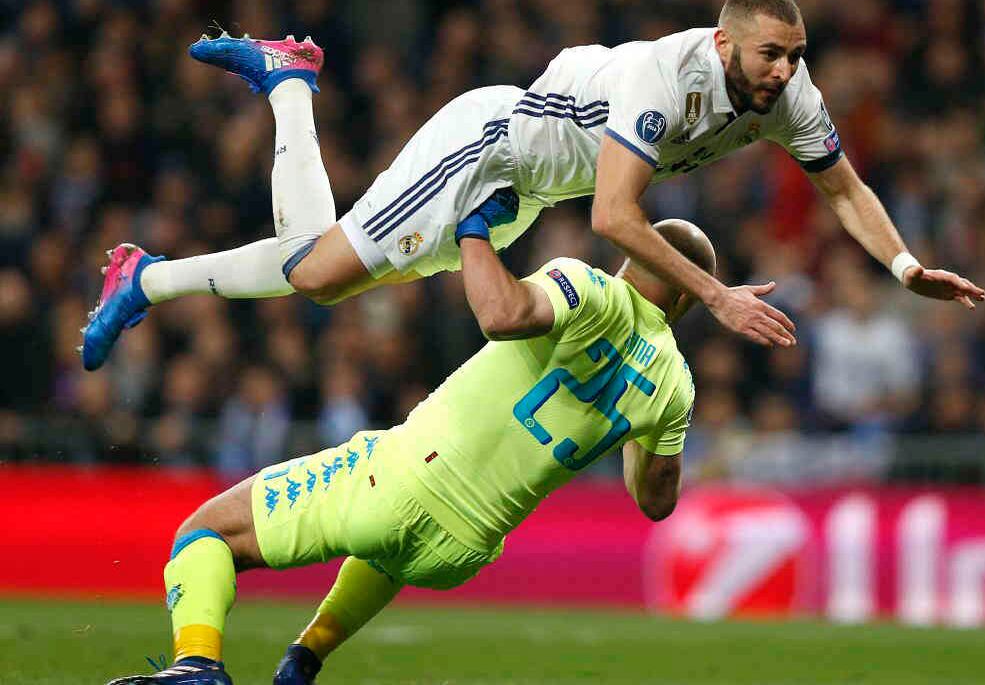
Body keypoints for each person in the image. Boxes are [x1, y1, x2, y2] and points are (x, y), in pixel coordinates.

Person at [82, 0, 985, 370]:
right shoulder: (661, 79)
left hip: (520, 194)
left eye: (796, 56)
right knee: (315, 273)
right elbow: (617, 219)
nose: (787, 72)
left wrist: (905, 268)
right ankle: (286, 87)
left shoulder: (790, 96)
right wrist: (713, 295)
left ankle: (147, 276)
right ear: (723, 43)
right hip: (486, 146)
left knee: (319, 275)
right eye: (770, 54)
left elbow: (846, 189)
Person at [103, 217, 714, 685]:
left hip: (402, 478)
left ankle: (197, 667)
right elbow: (655, 501)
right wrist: (645, 427)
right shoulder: (673, 387)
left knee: (205, 533)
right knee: (389, 551)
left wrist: (474, 232)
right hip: (463, 550)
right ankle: (306, 655)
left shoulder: (590, 286)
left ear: (631, 254)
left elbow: (502, 314)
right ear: (687, 298)